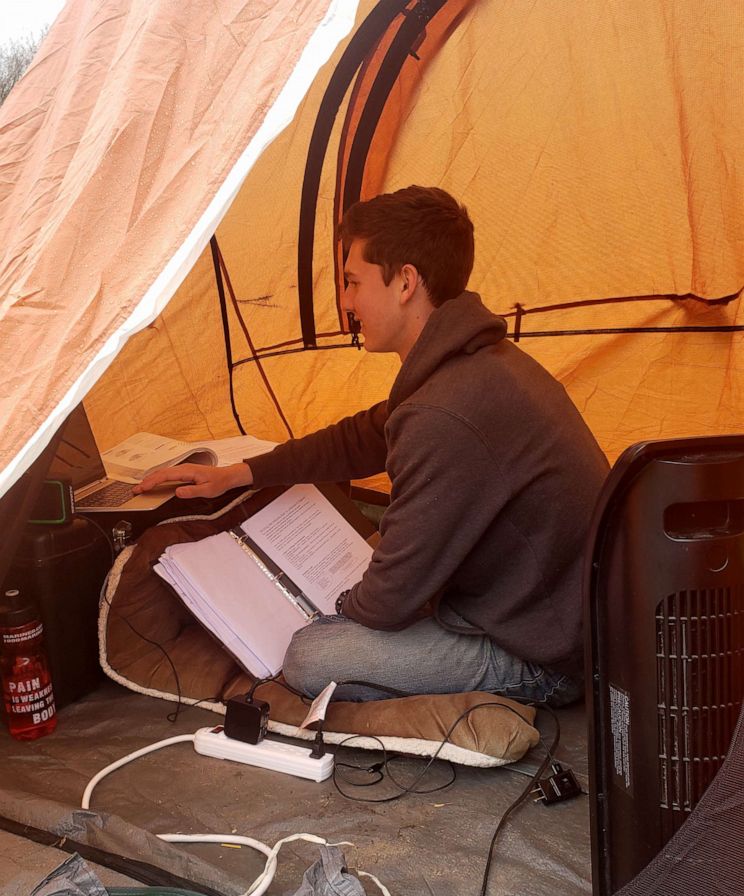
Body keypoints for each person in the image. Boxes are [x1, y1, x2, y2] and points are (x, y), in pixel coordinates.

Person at [135, 186, 609, 704]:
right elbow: (362, 437)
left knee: (312, 655)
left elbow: (386, 604)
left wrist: (328, 605)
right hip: (550, 609)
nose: (345, 302)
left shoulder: (446, 411)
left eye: (353, 282)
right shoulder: (470, 362)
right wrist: (239, 473)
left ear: (405, 282)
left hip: (542, 651)